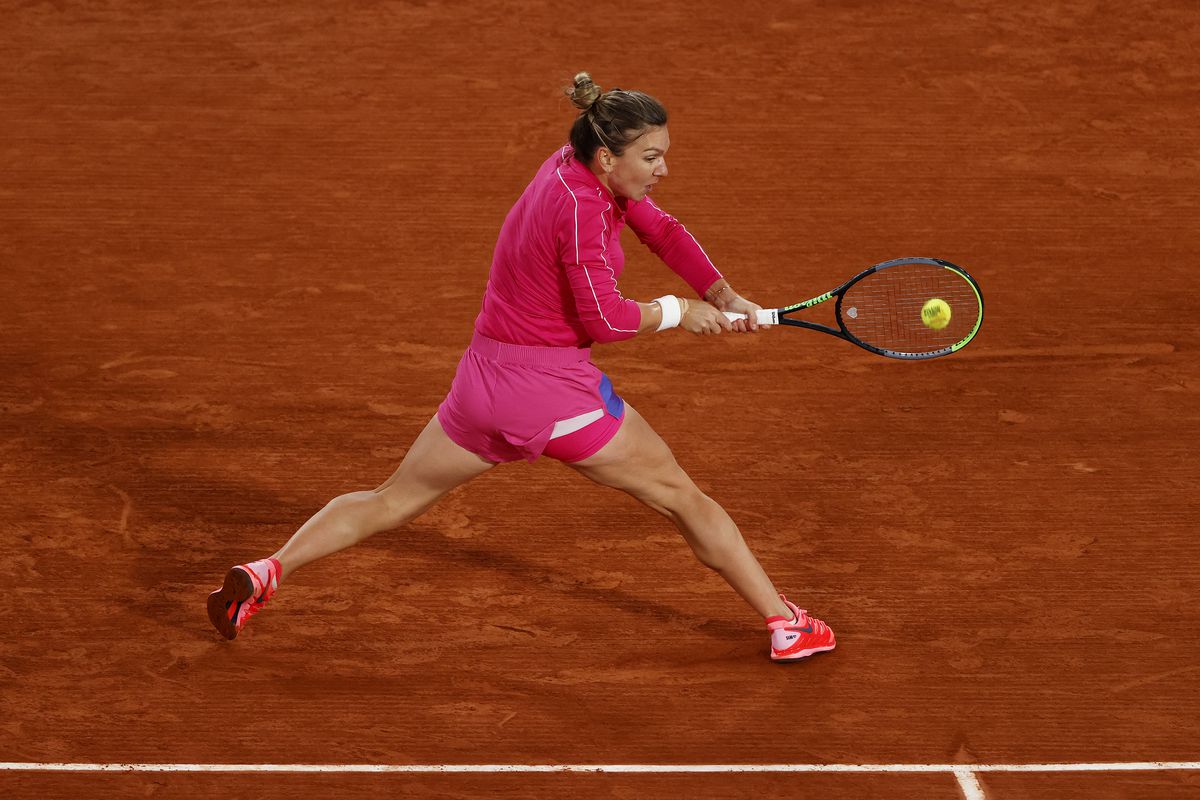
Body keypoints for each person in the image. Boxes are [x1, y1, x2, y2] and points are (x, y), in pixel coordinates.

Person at [207, 72, 835, 663]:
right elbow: (606, 320)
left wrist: (722, 295)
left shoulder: (568, 168)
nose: (663, 168)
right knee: (681, 498)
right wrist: (678, 311)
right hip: (554, 395)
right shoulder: (584, 213)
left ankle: (267, 572)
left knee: (391, 498)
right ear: (608, 158)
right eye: (651, 157)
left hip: (481, 384)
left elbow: (663, 233)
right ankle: (786, 625)